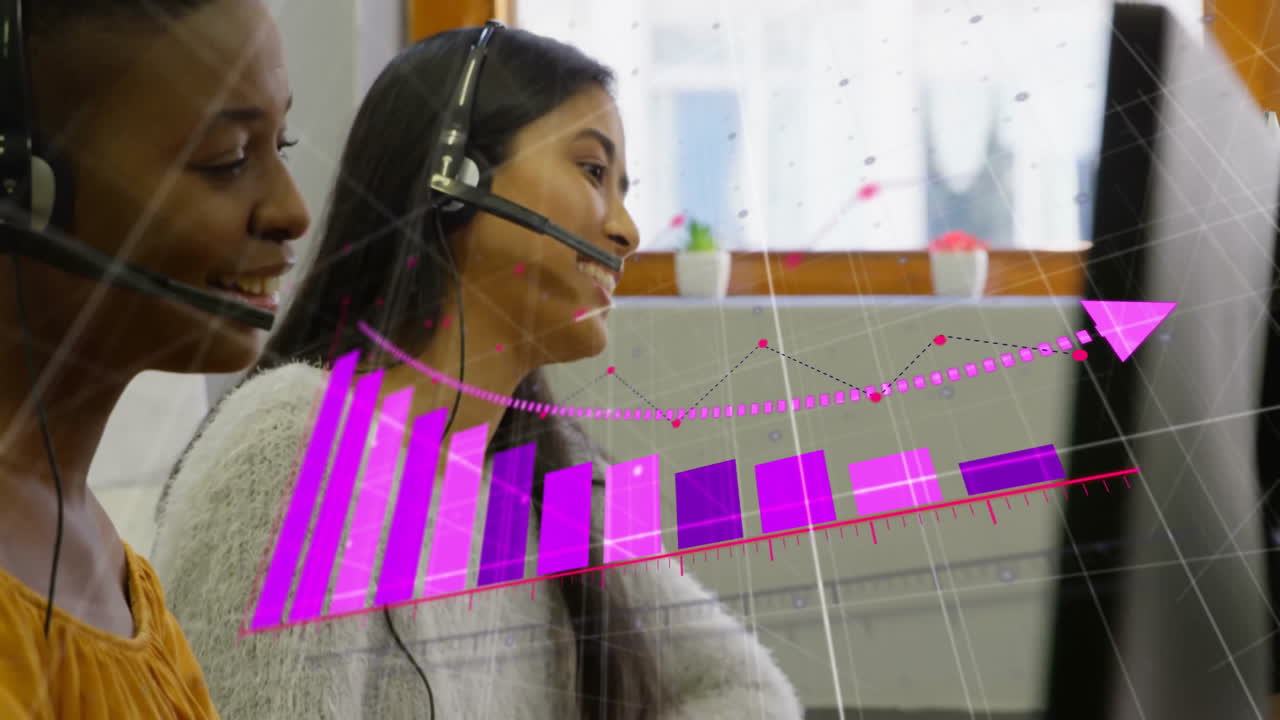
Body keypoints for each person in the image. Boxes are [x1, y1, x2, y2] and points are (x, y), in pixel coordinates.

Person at [152, 24, 804, 720]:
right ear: (457, 179)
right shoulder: (296, 443)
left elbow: (750, 694)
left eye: (622, 187)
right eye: (591, 172)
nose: (626, 231)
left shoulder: (548, 491)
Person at [0, 0, 309, 717]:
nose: (294, 210)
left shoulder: (121, 578)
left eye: (282, 148)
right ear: (21, 193)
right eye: (228, 161)